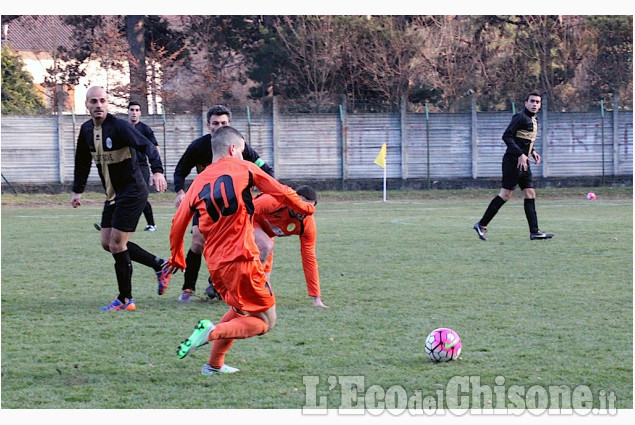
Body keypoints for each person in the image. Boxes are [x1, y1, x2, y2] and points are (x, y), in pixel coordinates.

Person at [167, 126, 315, 375]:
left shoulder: (196, 184)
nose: (244, 156)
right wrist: (306, 208)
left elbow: (178, 222)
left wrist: (177, 257)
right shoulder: (244, 167)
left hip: (216, 267)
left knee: (239, 310)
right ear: (233, 149)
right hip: (242, 259)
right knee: (266, 321)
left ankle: (213, 366)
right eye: (243, 151)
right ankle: (211, 333)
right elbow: (279, 190)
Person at [70, 86, 172, 311]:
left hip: (133, 191)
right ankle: (159, 265)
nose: (98, 105)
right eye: (94, 101)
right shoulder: (87, 130)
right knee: (108, 243)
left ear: (108, 104)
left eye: (103, 101)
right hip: (113, 194)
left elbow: (147, 146)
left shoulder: (120, 127)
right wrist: (77, 191)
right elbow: (82, 161)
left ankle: (125, 300)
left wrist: (157, 171)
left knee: (117, 244)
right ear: (86, 104)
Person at [173, 105, 275, 302]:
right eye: (215, 123)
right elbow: (180, 170)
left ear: (230, 124)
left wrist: (261, 189)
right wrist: (180, 192)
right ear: (208, 125)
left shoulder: (239, 146)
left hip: (234, 208)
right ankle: (188, 288)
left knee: (236, 245)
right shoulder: (198, 147)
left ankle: (222, 285)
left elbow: (266, 169)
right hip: (206, 203)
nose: (219, 126)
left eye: (224, 123)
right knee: (197, 241)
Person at [473, 91, 554, 241]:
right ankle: (481, 224)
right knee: (505, 195)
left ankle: (535, 231)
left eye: (538, 102)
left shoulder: (534, 120)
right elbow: (507, 136)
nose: (535, 104)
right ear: (526, 103)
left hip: (524, 163)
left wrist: (532, 151)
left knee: (530, 194)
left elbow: (523, 140)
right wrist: (520, 154)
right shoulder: (520, 117)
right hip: (513, 162)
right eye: (532, 101)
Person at [253, 185, 327, 308]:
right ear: (293, 199)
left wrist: (316, 298)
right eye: (303, 205)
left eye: (310, 208)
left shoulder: (307, 224)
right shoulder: (274, 200)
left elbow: (309, 259)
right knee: (266, 246)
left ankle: (238, 286)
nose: (305, 211)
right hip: (247, 220)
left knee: (264, 287)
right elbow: (243, 212)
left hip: (266, 233)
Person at [92, 101, 160, 232]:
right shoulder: (121, 127)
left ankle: (151, 224)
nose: (134, 113)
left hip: (141, 166)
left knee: (140, 195)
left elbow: (155, 148)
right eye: (132, 110)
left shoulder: (145, 129)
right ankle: (109, 223)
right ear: (128, 112)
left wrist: (156, 171)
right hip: (127, 166)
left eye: (136, 110)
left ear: (140, 113)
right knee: (118, 195)